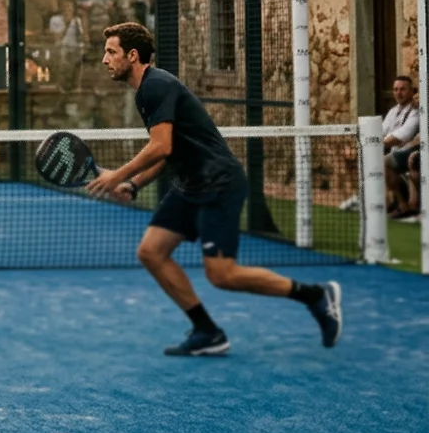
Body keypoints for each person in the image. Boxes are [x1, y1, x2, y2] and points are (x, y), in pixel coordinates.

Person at [86, 22, 343, 356]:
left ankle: (315, 295)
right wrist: (133, 185)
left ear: (132, 56)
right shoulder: (147, 90)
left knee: (222, 275)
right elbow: (171, 149)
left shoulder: (155, 86)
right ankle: (207, 331)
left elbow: (160, 146)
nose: (104, 59)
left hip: (219, 183)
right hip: (190, 185)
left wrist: (116, 175)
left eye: (110, 52)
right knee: (151, 252)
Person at [381, 76, 421, 218]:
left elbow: (399, 137)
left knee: (383, 161)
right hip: (397, 154)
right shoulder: (393, 111)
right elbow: (382, 132)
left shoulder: (416, 112)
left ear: (411, 92)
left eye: (403, 89)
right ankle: (388, 202)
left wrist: (377, 142)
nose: (399, 93)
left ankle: (402, 205)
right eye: (396, 89)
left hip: (410, 153)